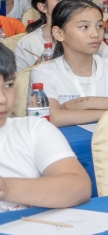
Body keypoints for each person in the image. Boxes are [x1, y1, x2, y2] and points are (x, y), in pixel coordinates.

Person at [0, 43, 91, 211]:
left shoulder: (33, 129)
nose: (3, 99)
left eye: (8, 85)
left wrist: (5, 188)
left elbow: (79, 187)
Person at [31, 0, 108, 126]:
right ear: (59, 33)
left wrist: (88, 102)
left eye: (99, 26)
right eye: (84, 27)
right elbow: (52, 117)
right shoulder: (44, 72)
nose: (95, 34)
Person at [14, 0, 78, 69]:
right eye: (61, 0)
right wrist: (34, 69)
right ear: (42, 7)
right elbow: (17, 77)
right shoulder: (28, 43)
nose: (71, 4)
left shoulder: (88, 35)